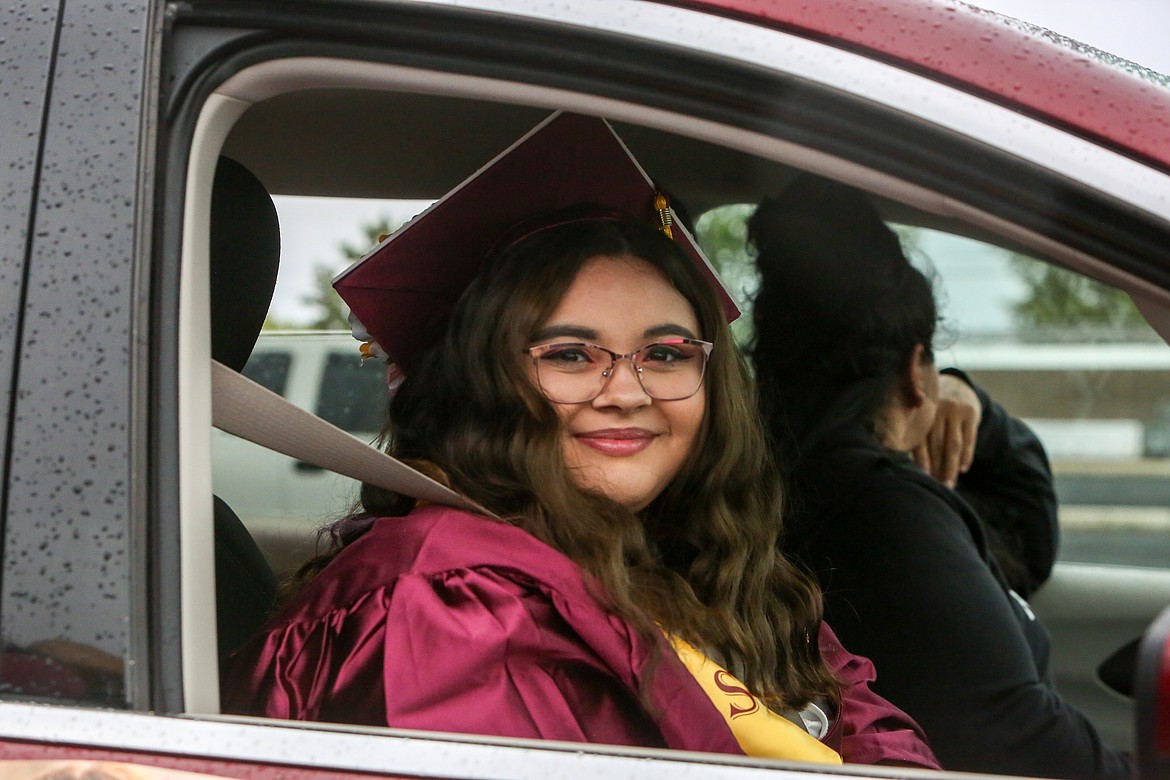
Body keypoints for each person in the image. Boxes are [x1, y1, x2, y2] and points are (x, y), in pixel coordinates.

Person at [222, 113, 939, 768]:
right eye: (570, 354)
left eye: (665, 353)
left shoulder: (708, 568)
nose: (627, 393)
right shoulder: (444, 608)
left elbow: (882, 742)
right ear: (485, 383)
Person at [748, 173, 1131, 779]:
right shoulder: (887, 516)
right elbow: (1025, 744)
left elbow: (1022, 549)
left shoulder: (777, 489)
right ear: (911, 369)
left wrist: (969, 401)